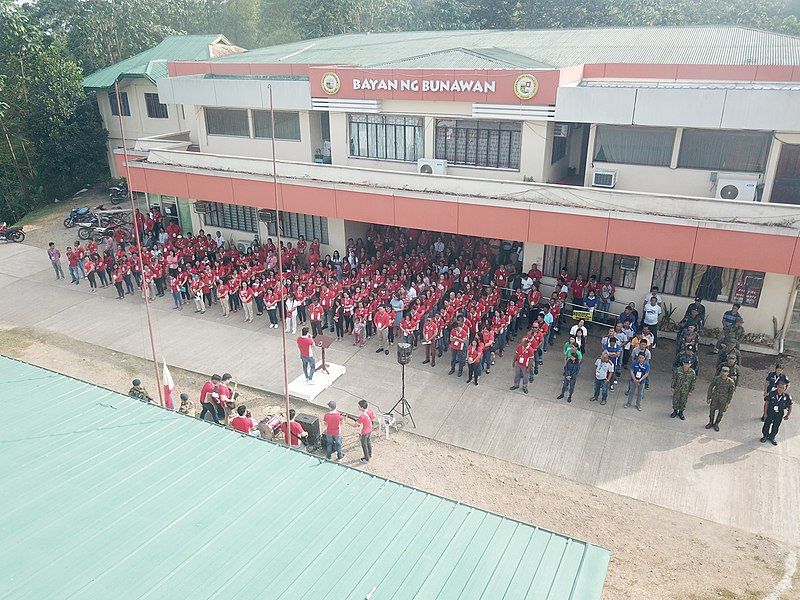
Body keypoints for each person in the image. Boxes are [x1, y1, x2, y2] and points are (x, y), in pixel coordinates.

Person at [761, 381, 792, 446]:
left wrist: (787, 415)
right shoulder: (771, 393)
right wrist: (765, 413)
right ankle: (765, 436)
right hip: (770, 412)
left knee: (776, 426)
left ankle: (772, 437)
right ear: (777, 387)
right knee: (767, 424)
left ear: (785, 388)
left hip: (779, 414)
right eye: (780, 387)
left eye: (783, 388)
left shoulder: (787, 397)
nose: (781, 389)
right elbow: (766, 403)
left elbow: (790, 406)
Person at [706, 366, 736, 432]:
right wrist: (709, 397)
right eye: (723, 371)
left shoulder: (731, 382)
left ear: (728, 373)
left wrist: (728, 403)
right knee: (712, 410)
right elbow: (711, 387)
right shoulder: (717, 379)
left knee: (720, 413)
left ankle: (716, 423)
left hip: (723, 399)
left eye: (726, 372)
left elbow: (731, 393)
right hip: (715, 397)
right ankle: (711, 422)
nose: (724, 373)